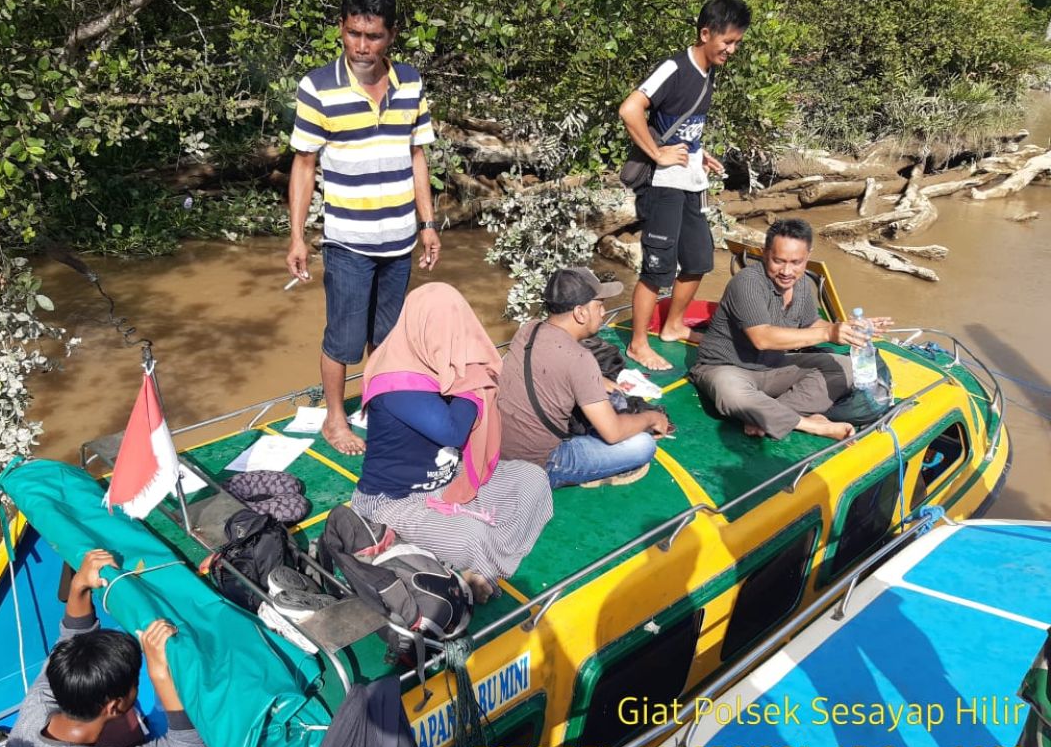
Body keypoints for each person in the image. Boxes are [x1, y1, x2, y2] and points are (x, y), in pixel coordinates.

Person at [285, 0, 441, 456]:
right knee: (343, 338)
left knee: (388, 337)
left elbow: (417, 156)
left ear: (391, 35)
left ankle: (377, 405)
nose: (362, 46)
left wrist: (428, 223)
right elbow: (304, 164)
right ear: (341, 29)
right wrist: (297, 237)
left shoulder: (410, 81)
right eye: (354, 33)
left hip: (398, 241)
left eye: (373, 36)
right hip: (348, 240)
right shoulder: (318, 87)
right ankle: (336, 419)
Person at [350, 282, 553, 602]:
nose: (455, 340)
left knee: (533, 480)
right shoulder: (396, 383)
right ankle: (475, 557)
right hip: (394, 501)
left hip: (449, 478)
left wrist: (471, 379)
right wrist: (474, 386)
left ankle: (480, 562)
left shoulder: (441, 366)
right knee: (471, 537)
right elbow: (452, 432)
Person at [619, 0, 752, 371]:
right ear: (705, 33)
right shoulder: (674, 67)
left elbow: (683, 125)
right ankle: (639, 344)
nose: (732, 49)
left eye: (737, 42)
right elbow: (630, 110)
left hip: (691, 180)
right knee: (658, 269)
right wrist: (659, 153)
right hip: (662, 184)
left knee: (698, 259)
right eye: (727, 41)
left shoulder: (709, 70)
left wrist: (699, 152)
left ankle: (673, 326)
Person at [690, 218, 892, 441]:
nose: (787, 271)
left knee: (847, 368)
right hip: (726, 368)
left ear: (808, 255)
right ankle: (810, 424)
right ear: (765, 253)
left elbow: (811, 324)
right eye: (778, 261)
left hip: (773, 366)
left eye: (796, 262)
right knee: (731, 395)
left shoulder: (803, 283)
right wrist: (829, 334)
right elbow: (762, 338)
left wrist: (848, 329)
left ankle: (765, 416)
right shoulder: (747, 282)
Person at [8, 549, 204, 747]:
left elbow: (72, 638)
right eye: (136, 681)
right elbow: (189, 746)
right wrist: (160, 675)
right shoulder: (38, 704)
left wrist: (79, 585)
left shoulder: (36, 708)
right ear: (114, 706)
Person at [497, 268, 672, 489]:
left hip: (497, 451)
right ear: (580, 313)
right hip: (539, 466)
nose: (603, 312)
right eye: (599, 305)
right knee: (643, 445)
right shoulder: (580, 358)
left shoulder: (529, 329)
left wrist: (596, 380)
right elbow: (614, 432)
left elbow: (548, 369)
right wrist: (652, 418)